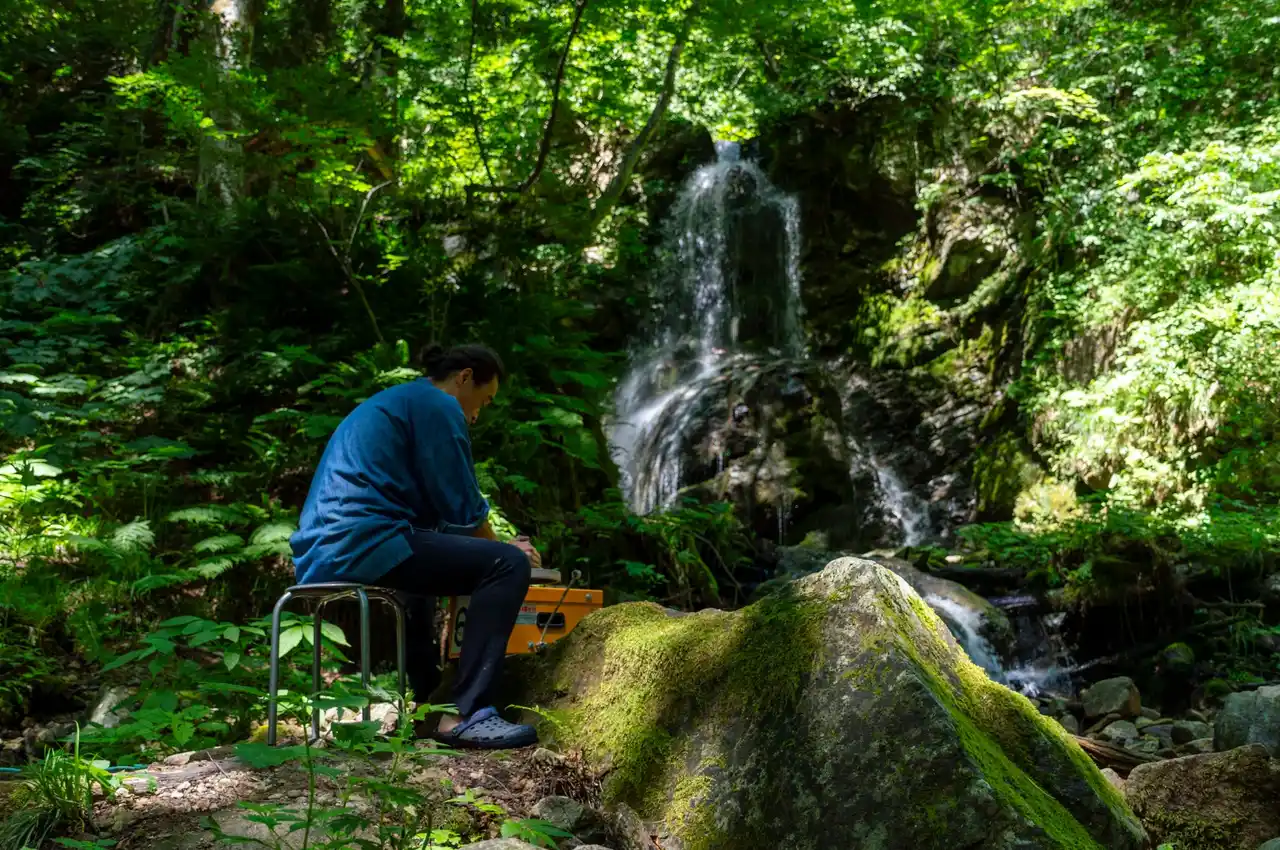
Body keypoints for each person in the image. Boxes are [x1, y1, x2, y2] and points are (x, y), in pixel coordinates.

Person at [290, 343, 541, 749]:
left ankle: (428, 704)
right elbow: (463, 505)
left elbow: (439, 519)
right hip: (364, 540)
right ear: (464, 378)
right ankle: (467, 714)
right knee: (507, 565)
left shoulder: (402, 401)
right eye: (485, 400)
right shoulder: (438, 405)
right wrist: (506, 549)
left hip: (326, 549)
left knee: (420, 589)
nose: (478, 414)